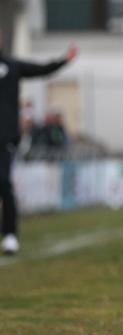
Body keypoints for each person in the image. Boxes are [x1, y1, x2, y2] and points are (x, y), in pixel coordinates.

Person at [0, 45, 77, 254]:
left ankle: (9, 235)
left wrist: (64, 60)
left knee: (4, 184)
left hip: (5, 137)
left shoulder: (12, 66)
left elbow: (42, 69)